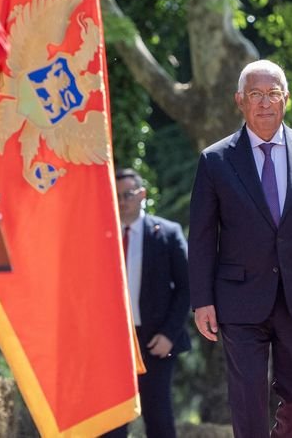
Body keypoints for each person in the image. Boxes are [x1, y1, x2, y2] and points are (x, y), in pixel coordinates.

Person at [188, 60, 292, 437]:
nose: (265, 103)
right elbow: (200, 236)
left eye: (273, 93)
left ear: (286, 99)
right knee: (247, 397)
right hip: (238, 298)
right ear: (240, 101)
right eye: (256, 95)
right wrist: (203, 300)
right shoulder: (216, 160)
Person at [104, 168, 191, 438]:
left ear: (141, 194)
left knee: (158, 417)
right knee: (111, 423)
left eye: (128, 194)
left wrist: (169, 333)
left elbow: (188, 288)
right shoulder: (100, 234)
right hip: (112, 341)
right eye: (116, 195)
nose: (122, 201)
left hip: (155, 341)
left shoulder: (167, 233)